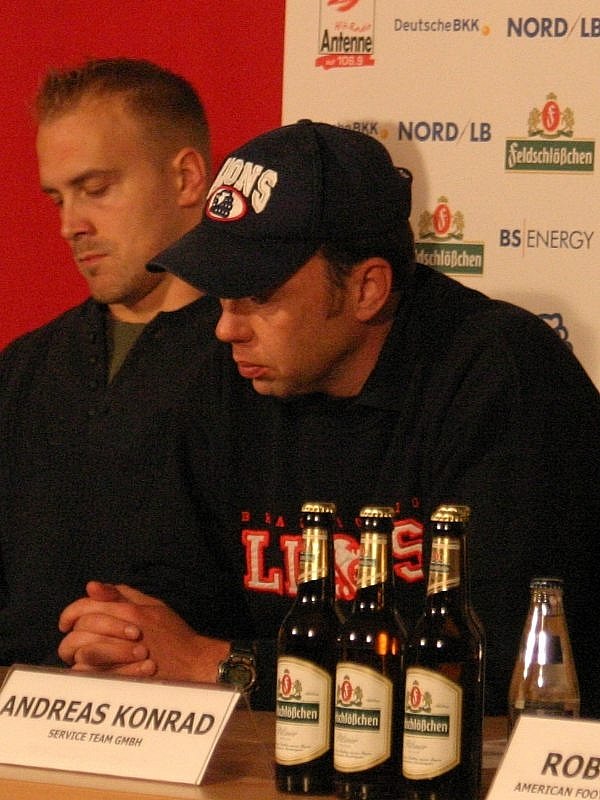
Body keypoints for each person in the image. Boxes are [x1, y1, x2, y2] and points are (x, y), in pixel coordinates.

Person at [57, 121, 600, 716]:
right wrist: (127, 641)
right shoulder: (228, 373)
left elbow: (500, 668)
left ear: (367, 289)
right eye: (220, 294)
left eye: (258, 297)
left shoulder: (501, 376)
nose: (227, 327)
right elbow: (174, 590)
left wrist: (223, 665)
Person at [0, 57, 239, 668]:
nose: (69, 225)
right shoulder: (24, 370)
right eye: (58, 198)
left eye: (96, 189)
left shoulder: (261, 362)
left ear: (187, 178)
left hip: (215, 716)